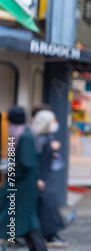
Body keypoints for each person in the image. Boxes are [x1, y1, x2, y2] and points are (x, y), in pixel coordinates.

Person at [0, 106, 48, 251]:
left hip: (21, 185)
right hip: (20, 184)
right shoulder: (23, 133)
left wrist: (8, 170)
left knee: (26, 219)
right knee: (25, 219)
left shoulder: (23, 136)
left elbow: (26, 163)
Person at [31, 110, 69, 248]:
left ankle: (47, 236)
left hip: (44, 177)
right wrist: (39, 178)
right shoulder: (38, 138)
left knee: (44, 206)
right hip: (41, 178)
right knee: (46, 206)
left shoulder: (43, 137)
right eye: (52, 121)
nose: (55, 124)